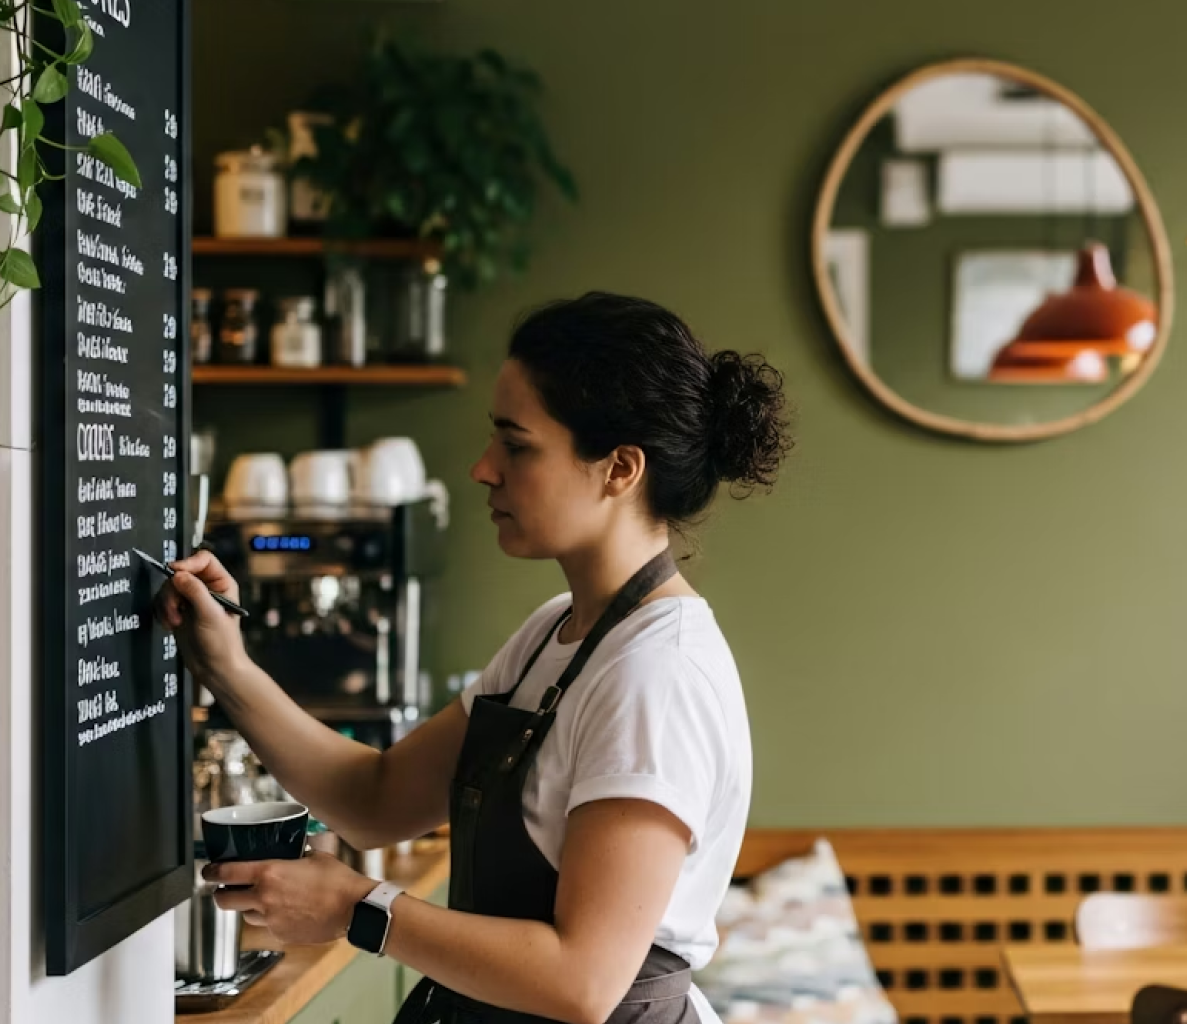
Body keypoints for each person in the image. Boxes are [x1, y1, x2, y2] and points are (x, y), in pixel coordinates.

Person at [156, 292, 793, 1024]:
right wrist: (225, 665)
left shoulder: (654, 676)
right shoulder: (553, 634)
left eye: (516, 446)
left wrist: (359, 906)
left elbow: (582, 982)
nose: (482, 469)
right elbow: (376, 799)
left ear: (619, 469)